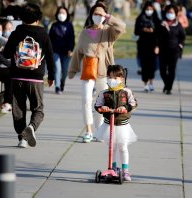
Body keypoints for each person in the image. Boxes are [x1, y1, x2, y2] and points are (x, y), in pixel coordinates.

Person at [68, 2, 126, 143]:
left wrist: (108, 17)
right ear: (91, 15)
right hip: (88, 71)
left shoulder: (108, 32)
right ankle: (88, 130)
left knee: (103, 102)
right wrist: (72, 69)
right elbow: (78, 52)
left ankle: (99, 129)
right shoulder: (84, 32)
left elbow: (122, 27)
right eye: (95, 14)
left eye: (101, 14)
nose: (98, 16)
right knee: (86, 100)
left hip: (105, 73)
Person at [3, 3, 56, 148]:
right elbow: (50, 57)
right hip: (36, 78)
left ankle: (22, 139)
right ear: (38, 18)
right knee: (38, 109)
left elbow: (6, 54)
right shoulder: (43, 34)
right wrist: (51, 76)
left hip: (17, 77)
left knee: (18, 109)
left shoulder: (16, 33)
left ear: (21, 18)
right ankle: (31, 127)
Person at [94, 64, 138, 181]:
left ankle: (125, 170)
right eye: (110, 77)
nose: (111, 80)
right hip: (109, 124)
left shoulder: (126, 92)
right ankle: (113, 168)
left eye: (115, 77)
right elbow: (97, 105)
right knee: (111, 147)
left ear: (122, 79)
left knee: (122, 147)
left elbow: (134, 103)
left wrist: (125, 108)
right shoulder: (104, 93)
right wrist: (101, 108)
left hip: (122, 125)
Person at [157, 4, 185, 95]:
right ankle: (167, 84)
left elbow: (183, 37)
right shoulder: (161, 24)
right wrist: (156, 46)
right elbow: (156, 36)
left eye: (172, 12)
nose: (170, 14)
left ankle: (169, 88)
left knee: (172, 69)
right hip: (163, 50)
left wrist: (180, 45)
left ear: (176, 14)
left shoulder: (178, 25)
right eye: (168, 12)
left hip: (174, 50)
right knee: (162, 70)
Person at [134, 0, 160, 92]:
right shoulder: (140, 18)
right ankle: (145, 84)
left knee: (152, 65)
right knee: (144, 66)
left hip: (153, 45)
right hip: (142, 45)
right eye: (147, 9)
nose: (149, 11)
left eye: (151, 9)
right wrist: (144, 29)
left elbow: (159, 33)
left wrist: (157, 46)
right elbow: (136, 31)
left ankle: (151, 83)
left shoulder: (156, 19)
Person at [49, 6, 75, 94]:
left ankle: (62, 82)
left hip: (67, 52)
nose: (61, 14)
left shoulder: (69, 25)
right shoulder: (54, 25)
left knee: (65, 71)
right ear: (57, 14)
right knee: (58, 69)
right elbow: (49, 39)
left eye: (63, 13)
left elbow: (72, 38)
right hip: (56, 51)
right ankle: (57, 87)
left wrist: (70, 49)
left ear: (67, 14)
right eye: (60, 13)